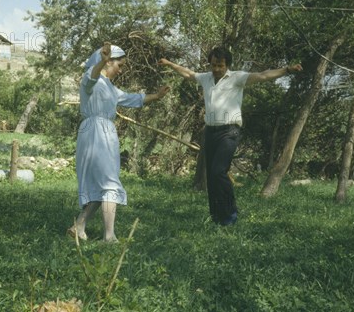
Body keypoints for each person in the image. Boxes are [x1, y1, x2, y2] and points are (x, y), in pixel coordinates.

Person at [159, 47, 302, 225]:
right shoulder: (206, 78)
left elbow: (263, 75)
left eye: (220, 65)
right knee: (211, 177)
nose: (217, 69)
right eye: (213, 65)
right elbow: (188, 74)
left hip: (229, 132)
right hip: (210, 132)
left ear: (227, 65)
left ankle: (230, 215)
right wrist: (170, 64)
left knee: (219, 171)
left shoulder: (237, 78)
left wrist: (287, 70)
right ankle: (216, 216)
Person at [68, 42, 171, 242]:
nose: (121, 69)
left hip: (102, 133)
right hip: (97, 133)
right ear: (107, 62)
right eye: (119, 65)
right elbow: (91, 79)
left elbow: (133, 99)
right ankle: (109, 236)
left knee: (102, 184)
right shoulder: (92, 79)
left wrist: (156, 96)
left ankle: (79, 226)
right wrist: (102, 62)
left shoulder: (110, 88)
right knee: (109, 184)